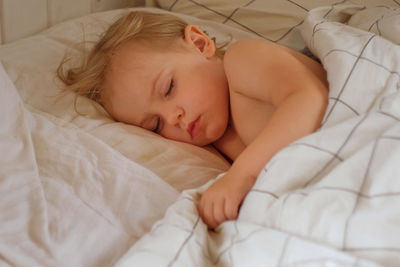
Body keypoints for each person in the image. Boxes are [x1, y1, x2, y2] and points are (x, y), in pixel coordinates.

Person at [57, 11, 329, 229]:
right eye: (155, 125)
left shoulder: (242, 60)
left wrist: (240, 176)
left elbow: (309, 98)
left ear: (200, 44)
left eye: (168, 88)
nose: (172, 118)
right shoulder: (218, 139)